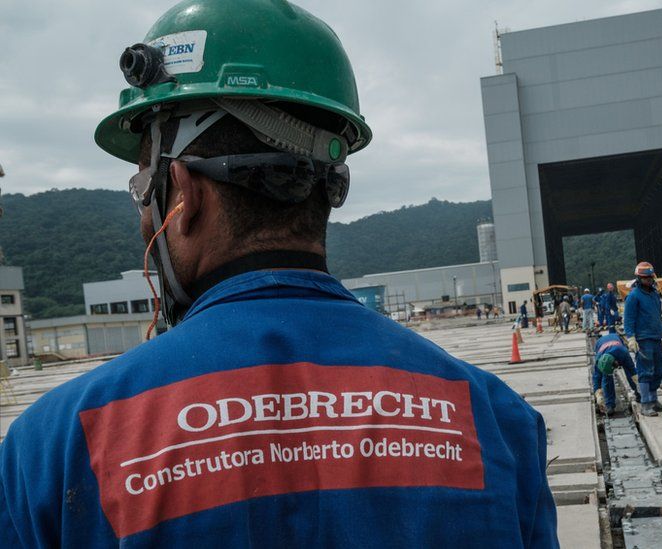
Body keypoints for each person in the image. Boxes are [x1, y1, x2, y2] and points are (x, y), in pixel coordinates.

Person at [0, 1, 558, 546]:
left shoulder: (54, 450)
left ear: (184, 194)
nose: (143, 213)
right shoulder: (494, 420)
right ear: (330, 188)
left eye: (143, 189)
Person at [623, 262, 662, 416]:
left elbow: (657, 314)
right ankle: (646, 403)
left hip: (655, 337)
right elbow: (628, 319)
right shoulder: (634, 296)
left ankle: (654, 400)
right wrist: (631, 338)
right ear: (639, 278)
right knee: (645, 371)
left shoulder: (654, 294)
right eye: (645, 278)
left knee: (659, 370)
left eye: (650, 277)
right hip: (643, 339)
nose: (648, 280)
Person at [592, 329, 640, 416]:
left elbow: (632, 370)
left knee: (629, 373)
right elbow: (596, 377)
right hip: (600, 343)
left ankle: (637, 392)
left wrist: (638, 385)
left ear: (616, 362)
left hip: (615, 338)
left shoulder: (623, 353)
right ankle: (609, 404)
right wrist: (598, 394)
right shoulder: (599, 361)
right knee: (607, 379)